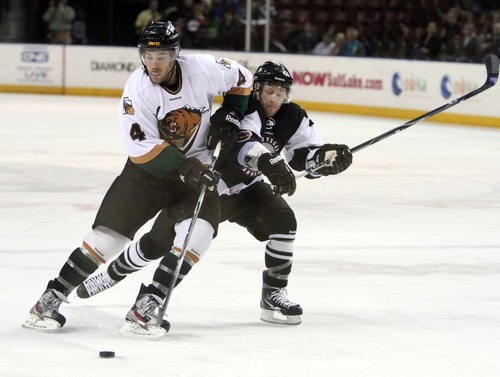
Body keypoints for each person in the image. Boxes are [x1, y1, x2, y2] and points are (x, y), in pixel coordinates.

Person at [76, 61, 353, 329]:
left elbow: (303, 156)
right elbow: (247, 146)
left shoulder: (294, 116)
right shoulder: (246, 109)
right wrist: (268, 162)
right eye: (269, 92)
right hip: (211, 188)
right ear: (257, 90)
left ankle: (273, 295)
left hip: (249, 190)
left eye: (281, 93)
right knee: (159, 242)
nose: (274, 99)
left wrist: (324, 159)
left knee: (284, 222)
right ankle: (115, 274)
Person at [22, 20, 253, 335]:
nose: (153, 63)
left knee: (197, 235)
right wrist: (188, 168)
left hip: (197, 172)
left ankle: (148, 305)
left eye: (161, 56)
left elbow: (243, 78)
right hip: (149, 173)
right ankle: (50, 299)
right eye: (148, 55)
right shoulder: (138, 89)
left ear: (176, 54)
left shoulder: (203, 69)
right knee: (107, 239)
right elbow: (140, 148)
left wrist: (230, 113)